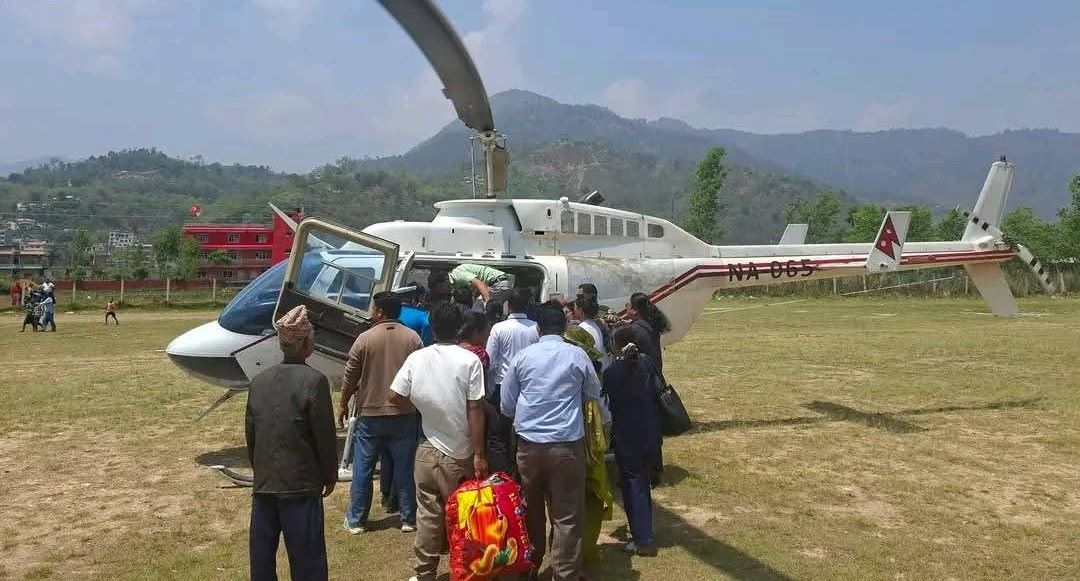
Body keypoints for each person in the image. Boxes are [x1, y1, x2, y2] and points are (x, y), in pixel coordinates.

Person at [500, 301, 603, 581]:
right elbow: (592, 393)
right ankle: (565, 573)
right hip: (567, 446)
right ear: (565, 326)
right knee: (567, 515)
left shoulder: (522, 357)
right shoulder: (577, 355)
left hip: (529, 447)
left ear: (537, 328)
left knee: (529, 510)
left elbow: (507, 405)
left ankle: (529, 566)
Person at [387, 304, 487, 581]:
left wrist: (422, 405)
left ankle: (424, 572)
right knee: (463, 516)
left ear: (432, 327)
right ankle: (463, 570)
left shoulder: (417, 358)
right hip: (460, 451)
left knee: (428, 515)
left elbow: (394, 396)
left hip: (426, 447)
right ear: (460, 328)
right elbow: (475, 408)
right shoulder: (469, 361)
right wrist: (479, 453)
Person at [245, 305, 337, 581]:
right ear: (307, 344)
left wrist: (259, 471)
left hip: (265, 484)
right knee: (307, 560)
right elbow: (324, 436)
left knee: (262, 559)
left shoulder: (259, 381)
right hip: (300, 484)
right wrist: (329, 475)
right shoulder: (314, 381)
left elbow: (252, 433)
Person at [339, 292, 423, 535]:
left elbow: (350, 375)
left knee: (363, 469)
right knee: (405, 468)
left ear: (380, 312)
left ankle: (356, 520)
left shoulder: (365, 338)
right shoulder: (413, 338)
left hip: (370, 413)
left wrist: (343, 403)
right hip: (404, 413)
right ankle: (408, 518)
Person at [604, 327, 663, 557]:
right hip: (650, 432)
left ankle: (643, 538)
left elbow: (608, 401)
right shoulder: (647, 364)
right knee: (641, 484)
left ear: (617, 345)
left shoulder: (612, 372)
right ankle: (643, 531)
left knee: (633, 485)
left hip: (627, 435)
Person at [561, 325, 613, 569]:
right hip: (589, 450)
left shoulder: (572, 373)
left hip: (573, 447)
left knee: (569, 506)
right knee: (588, 502)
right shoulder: (592, 373)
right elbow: (606, 419)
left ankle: (574, 557)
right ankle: (583, 556)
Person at [484, 288, 538, 474]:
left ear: (509, 305)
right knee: (526, 433)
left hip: (502, 387)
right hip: (528, 387)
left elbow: (490, 361)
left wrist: (489, 386)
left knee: (499, 435)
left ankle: (503, 476)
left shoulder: (499, 328)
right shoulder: (536, 328)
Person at [622, 292, 671, 484]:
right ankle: (654, 468)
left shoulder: (636, 329)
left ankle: (646, 471)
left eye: (628, 306)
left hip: (642, 384)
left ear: (634, 310)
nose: (625, 308)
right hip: (653, 380)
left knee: (640, 429)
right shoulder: (648, 325)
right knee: (651, 427)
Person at [574, 294, 611, 370]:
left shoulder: (581, 329)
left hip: (594, 369)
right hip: (604, 365)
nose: (574, 310)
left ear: (580, 310)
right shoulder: (595, 325)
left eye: (575, 307)